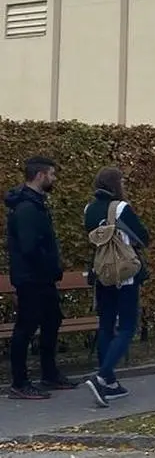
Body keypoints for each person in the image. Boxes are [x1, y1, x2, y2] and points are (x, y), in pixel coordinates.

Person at [5, 156, 74, 400]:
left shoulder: (36, 204)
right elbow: (29, 246)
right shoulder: (26, 208)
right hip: (31, 278)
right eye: (52, 174)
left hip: (41, 277)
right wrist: (48, 265)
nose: (54, 179)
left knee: (52, 320)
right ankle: (19, 382)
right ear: (40, 175)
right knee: (25, 327)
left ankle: (49, 373)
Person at [82, 167, 151, 407]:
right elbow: (142, 237)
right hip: (124, 274)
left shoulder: (89, 209)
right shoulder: (120, 208)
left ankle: (110, 382)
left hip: (102, 273)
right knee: (127, 327)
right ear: (116, 184)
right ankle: (102, 376)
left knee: (106, 325)